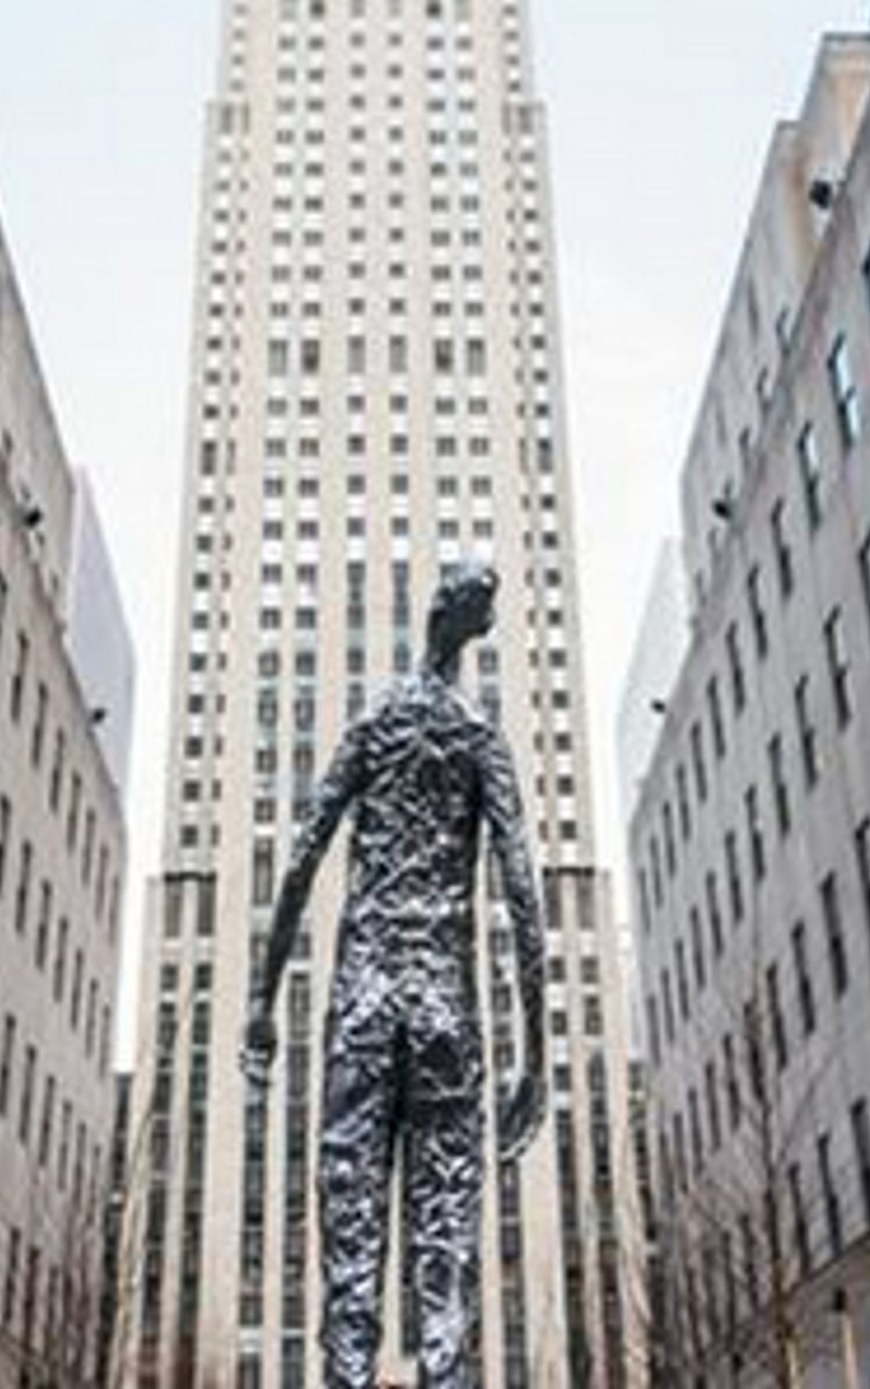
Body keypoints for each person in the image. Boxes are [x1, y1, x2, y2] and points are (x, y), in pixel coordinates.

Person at [240, 559, 546, 1388]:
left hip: (366, 1007)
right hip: (444, 1010)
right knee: (443, 1249)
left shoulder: (376, 721)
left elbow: (303, 854)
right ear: (471, 632)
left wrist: (262, 1004)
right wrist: (537, 1052)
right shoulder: (480, 740)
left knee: (352, 1235)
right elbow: (523, 893)